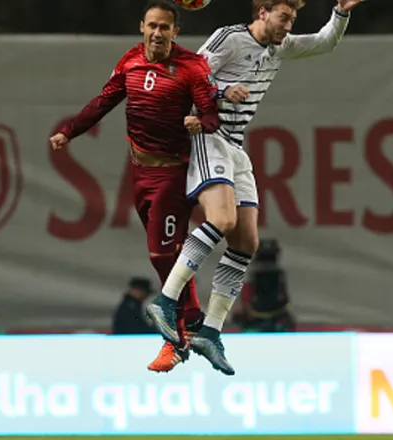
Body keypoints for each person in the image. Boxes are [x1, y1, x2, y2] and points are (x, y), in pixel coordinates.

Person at [147, 0, 361, 375]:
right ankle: (165, 301)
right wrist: (221, 93)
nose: (288, 25)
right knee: (223, 219)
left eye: (292, 19)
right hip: (207, 133)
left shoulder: (281, 45)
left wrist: (340, 12)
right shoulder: (229, 39)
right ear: (262, 13)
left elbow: (326, 42)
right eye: (283, 17)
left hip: (235, 146)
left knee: (247, 242)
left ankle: (209, 332)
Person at [50, 0, 221, 373]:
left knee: (162, 255)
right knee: (166, 253)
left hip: (173, 175)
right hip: (139, 173)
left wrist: (200, 122)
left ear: (176, 32)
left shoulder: (191, 67)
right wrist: (70, 130)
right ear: (142, 27)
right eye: (152, 26)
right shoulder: (130, 60)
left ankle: (175, 340)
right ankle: (192, 318)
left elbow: (211, 113)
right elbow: (104, 100)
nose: (158, 33)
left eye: (165, 28)